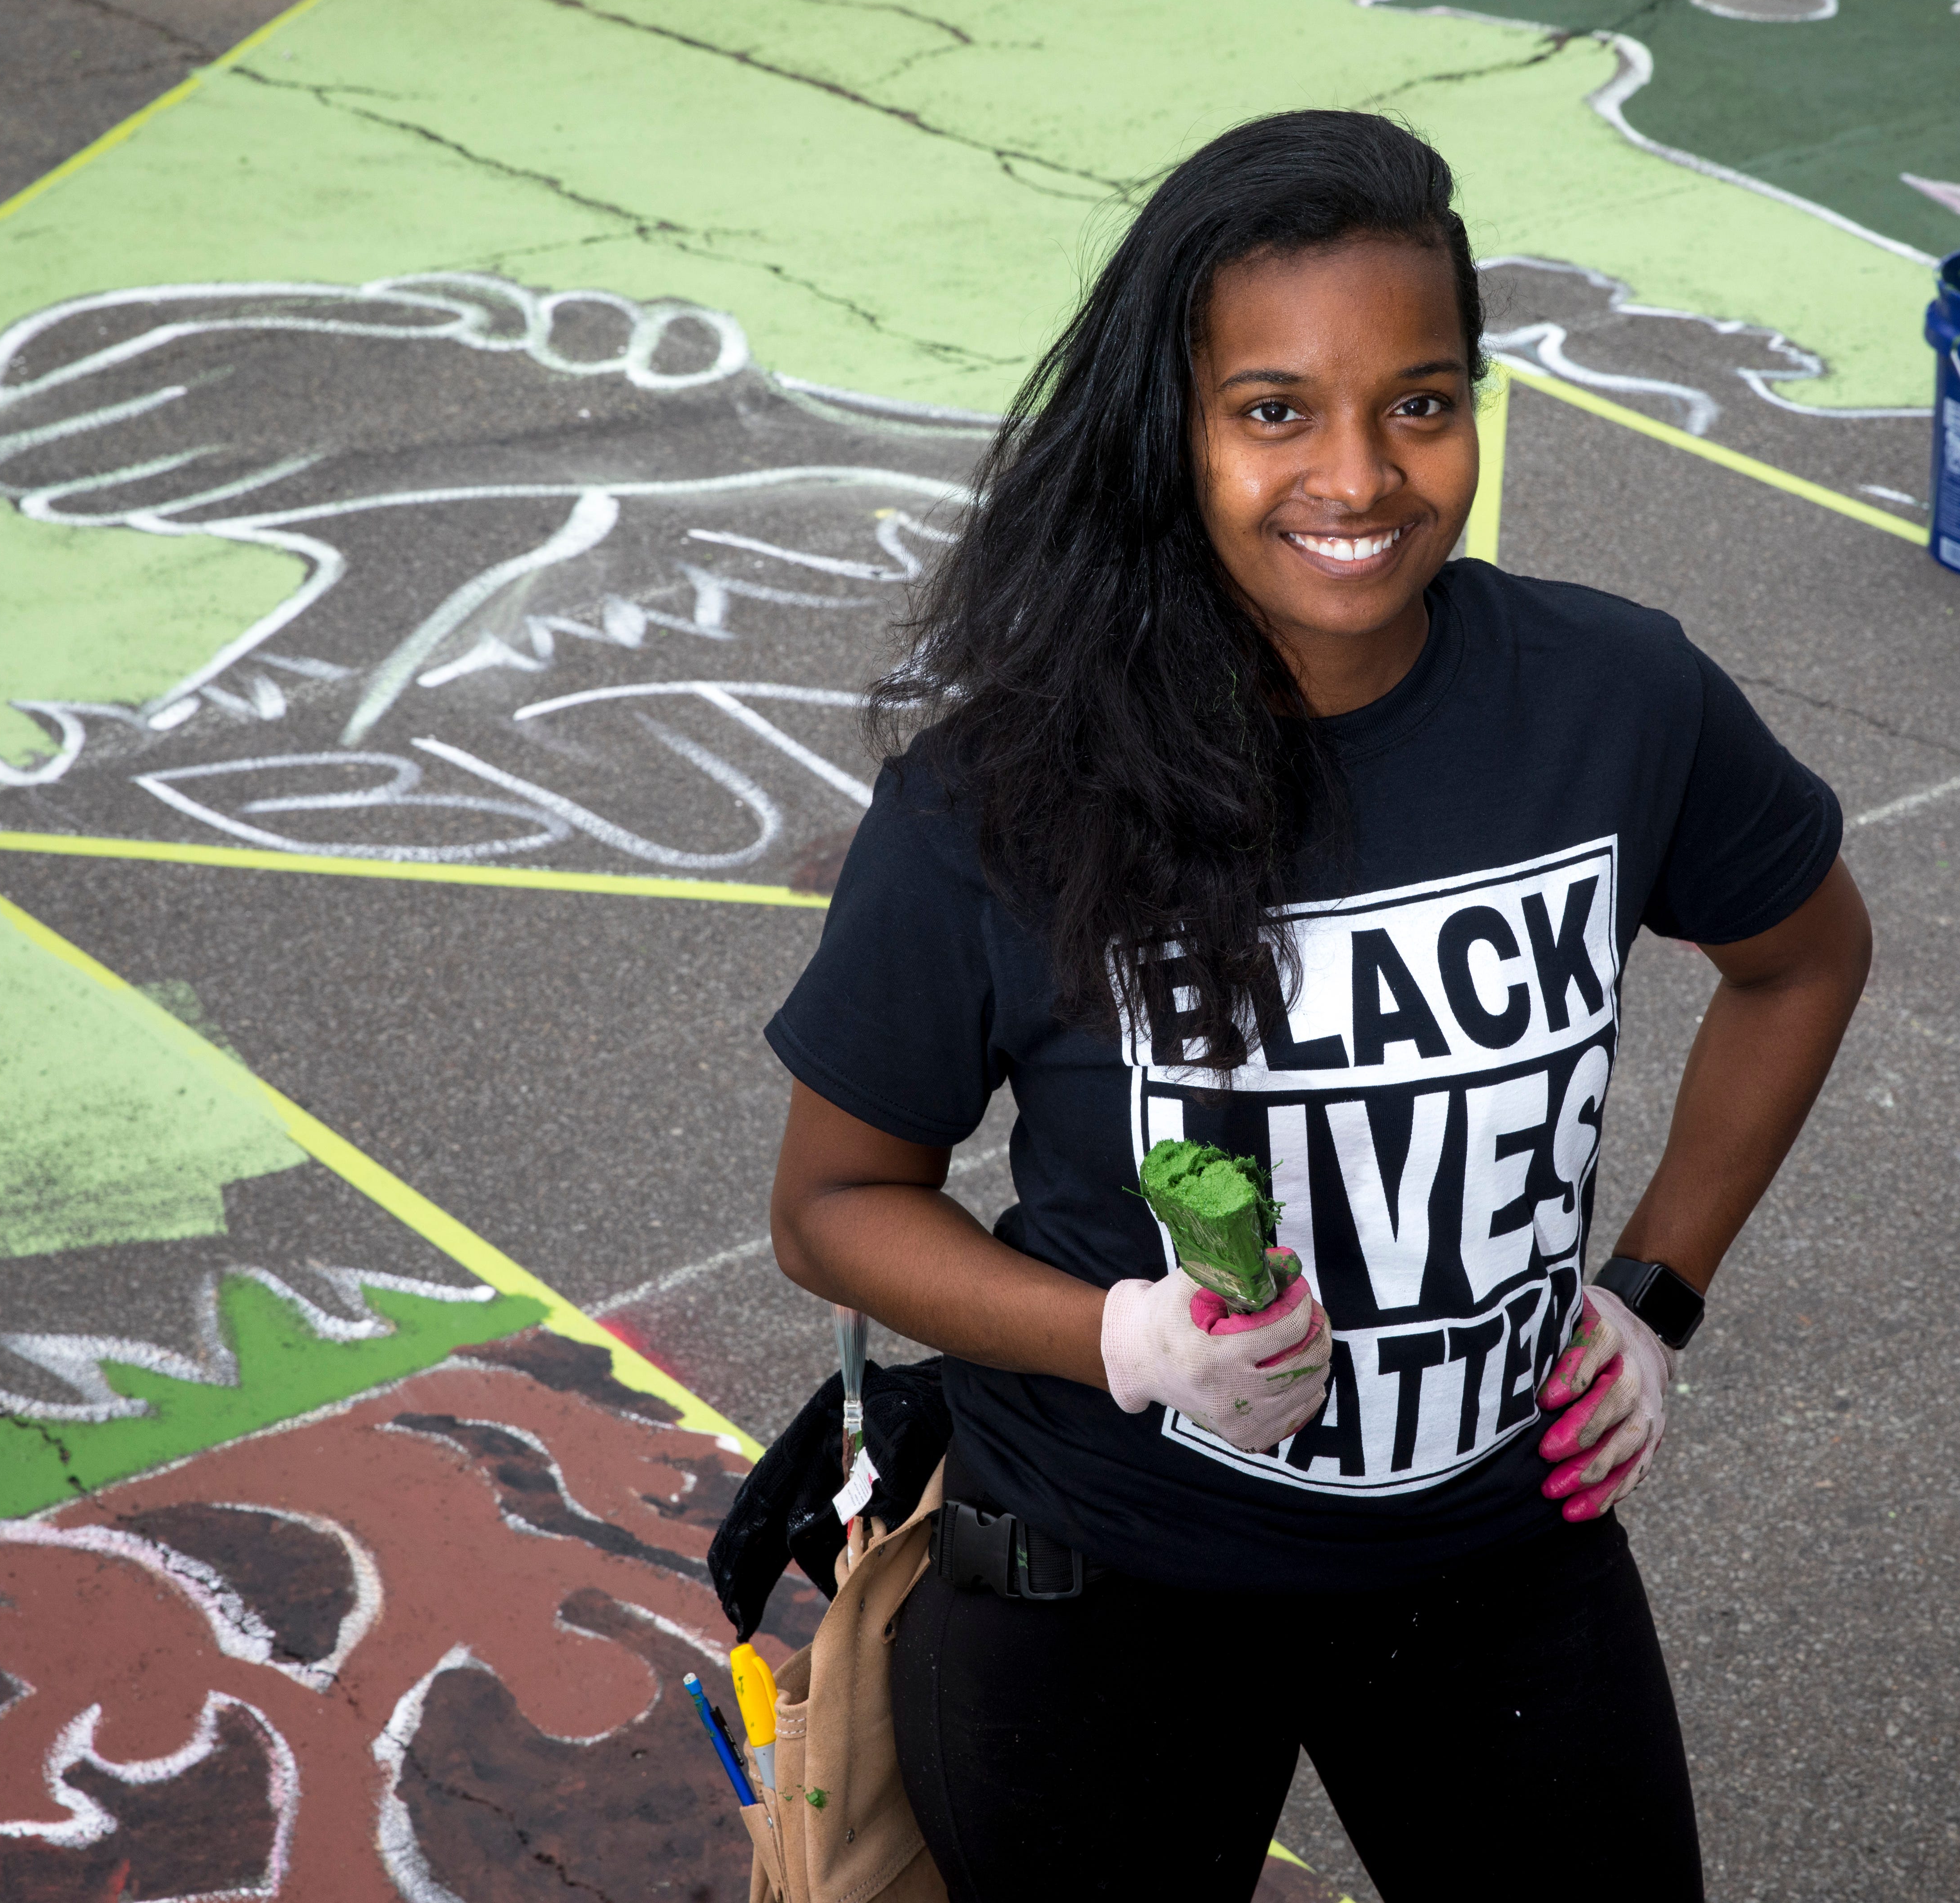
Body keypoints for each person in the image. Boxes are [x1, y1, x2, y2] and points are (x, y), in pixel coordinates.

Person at [766, 109, 1870, 1901]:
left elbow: (1803, 955)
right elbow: (830, 1205)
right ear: (1173, 433)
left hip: (1500, 1545)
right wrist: (1128, 1339)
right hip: (1106, 1570)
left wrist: (1656, 1287)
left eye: (1420, 403)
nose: (1357, 477)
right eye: (1274, 410)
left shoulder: (1618, 701)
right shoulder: (1006, 791)